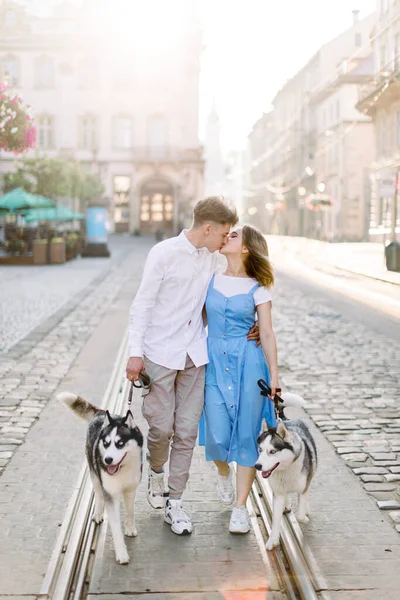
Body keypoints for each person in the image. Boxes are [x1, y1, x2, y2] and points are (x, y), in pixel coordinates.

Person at [126, 197, 259, 536]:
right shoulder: (164, 254)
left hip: (195, 356)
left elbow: (241, 280)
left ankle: (175, 503)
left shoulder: (213, 261)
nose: (225, 240)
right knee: (160, 428)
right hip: (158, 353)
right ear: (208, 228)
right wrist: (134, 352)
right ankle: (155, 470)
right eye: (224, 233)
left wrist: (255, 321)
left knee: (185, 432)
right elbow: (141, 305)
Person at [199, 225, 278, 534]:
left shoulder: (259, 287)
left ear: (246, 248)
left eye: (233, 236)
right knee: (217, 436)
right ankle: (223, 473)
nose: (225, 237)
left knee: (246, 435)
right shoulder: (209, 280)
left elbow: (267, 332)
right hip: (215, 361)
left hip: (249, 363)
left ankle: (240, 509)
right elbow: (197, 319)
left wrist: (274, 376)